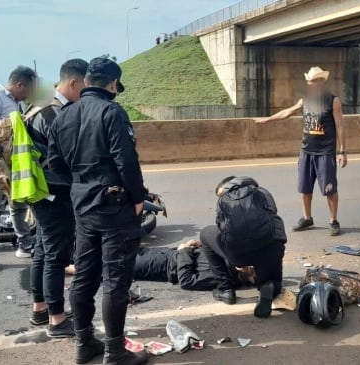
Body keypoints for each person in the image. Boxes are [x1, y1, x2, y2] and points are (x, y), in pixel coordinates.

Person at [47, 57, 149, 365]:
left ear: (87, 81)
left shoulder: (64, 115)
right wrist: (138, 198)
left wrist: (82, 185)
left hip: (83, 206)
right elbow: (127, 162)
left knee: (85, 278)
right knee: (116, 281)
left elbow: (54, 165)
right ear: (113, 85)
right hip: (114, 208)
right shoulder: (112, 112)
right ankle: (115, 352)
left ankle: (84, 343)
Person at [25, 59, 88, 338]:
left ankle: (40, 309)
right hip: (54, 191)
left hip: (38, 189)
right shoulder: (53, 112)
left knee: (41, 249)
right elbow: (65, 157)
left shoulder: (37, 106)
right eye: (84, 87)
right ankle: (57, 320)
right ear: (73, 83)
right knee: (55, 256)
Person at [254, 66, 348, 236]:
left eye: (316, 81)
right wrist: (268, 119)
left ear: (322, 82)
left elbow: (340, 126)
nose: (313, 84)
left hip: (325, 152)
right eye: (311, 81)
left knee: (330, 189)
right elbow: (288, 112)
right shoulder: (305, 99)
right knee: (304, 188)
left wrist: (342, 151)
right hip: (306, 151)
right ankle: (307, 218)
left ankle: (333, 220)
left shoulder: (333, 101)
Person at [0, 66, 37, 273]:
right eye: (28, 89)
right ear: (20, 84)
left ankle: (25, 245)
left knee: (18, 206)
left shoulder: (16, 103)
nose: (29, 94)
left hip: (15, 163)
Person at [200, 176, 286, 318]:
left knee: (205, 234)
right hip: (270, 247)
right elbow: (272, 216)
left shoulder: (224, 200)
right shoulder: (262, 192)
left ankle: (225, 289)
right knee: (273, 279)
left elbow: (223, 229)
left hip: (239, 254)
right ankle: (269, 285)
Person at [132, 240, 255, 290]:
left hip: (162, 265)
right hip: (167, 253)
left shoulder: (222, 276)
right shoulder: (229, 259)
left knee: (119, 265)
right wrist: (197, 244)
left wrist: (185, 251)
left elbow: (187, 281)